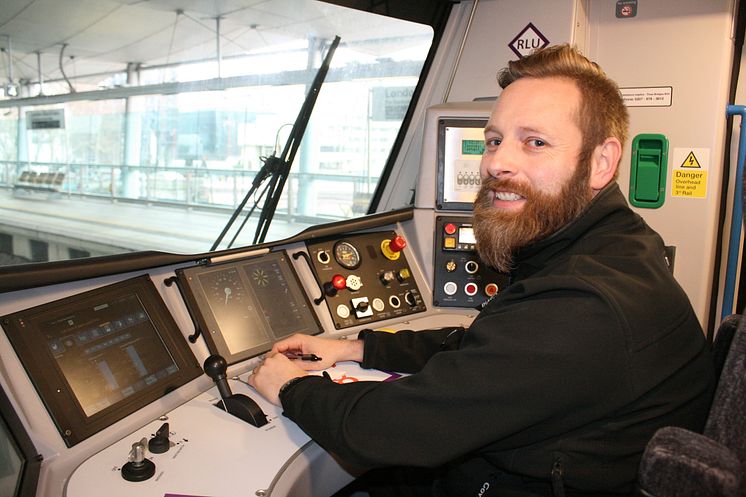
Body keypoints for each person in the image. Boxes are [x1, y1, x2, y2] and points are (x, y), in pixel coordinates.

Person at [248, 44, 715, 497]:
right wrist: (355, 347)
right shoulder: (614, 246)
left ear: (600, 162)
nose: (497, 163)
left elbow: (393, 428)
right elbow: (486, 352)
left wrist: (290, 386)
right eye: (494, 141)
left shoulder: (584, 303)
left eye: (535, 142)